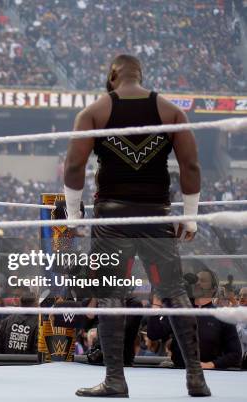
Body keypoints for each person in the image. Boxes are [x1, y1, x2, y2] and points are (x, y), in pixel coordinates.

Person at [64, 54, 210, 397]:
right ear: (139, 75)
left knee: (110, 293)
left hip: (113, 218)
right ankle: (196, 377)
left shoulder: (95, 112)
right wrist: (189, 216)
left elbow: (73, 166)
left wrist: (73, 215)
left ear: (112, 76)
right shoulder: (170, 111)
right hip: (156, 216)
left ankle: (115, 379)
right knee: (172, 291)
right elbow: (190, 166)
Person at [148, 269, 242, 370]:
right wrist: (156, 304)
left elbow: (235, 354)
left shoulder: (222, 315)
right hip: (178, 372)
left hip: (211, 375)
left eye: (203, 280)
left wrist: (211, 365)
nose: (197, 283)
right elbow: (154, 334)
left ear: (214, 288)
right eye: (196, 280)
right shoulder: (179, 311)